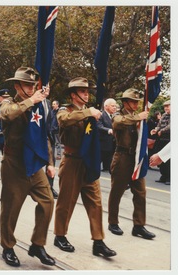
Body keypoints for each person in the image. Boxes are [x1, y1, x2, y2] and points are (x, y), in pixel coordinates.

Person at [53, 77, 116, 257]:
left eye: (87, 92)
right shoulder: (66, 110)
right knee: (66, 202)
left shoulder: (93, 112)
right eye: (82, 92)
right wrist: (87, 112)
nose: (86, 95)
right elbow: (64, 121)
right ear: (73, 95)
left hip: (89, 161)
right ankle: (59, 235)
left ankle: (98, 241)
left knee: (95, 203)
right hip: (72, 160)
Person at [0, 67, 55, 267]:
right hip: (14, 163)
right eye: (27, 85)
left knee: (47, 202)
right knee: (11, 208)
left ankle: (38, 244)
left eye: (33, 85)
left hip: (33, 162)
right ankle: (7, 246)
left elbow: (43, 136)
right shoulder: (9, 103)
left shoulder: (39, 106)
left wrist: (49, 162)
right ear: (17, 86)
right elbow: (6, 115)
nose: (31, 88)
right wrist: (31, 101)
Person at [107, 88, 155, 240]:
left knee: (140, 192)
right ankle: (113, 222)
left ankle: (139, 225)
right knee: (117, 192)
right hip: (122, 158)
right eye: (133, 102)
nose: (135, 105)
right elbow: (118, 123)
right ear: (125, 102)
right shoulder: (118, 115)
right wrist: (138, 118)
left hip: (136, 159)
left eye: (137, 102)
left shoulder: (137, 116)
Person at [151, 100, 171, 184]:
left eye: (168, 106)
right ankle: (163, 176)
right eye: (165, 106)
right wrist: (155, 130)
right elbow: (159, 125)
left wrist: (161, 131)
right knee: (161, 158)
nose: (166, 108)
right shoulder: (163, 115)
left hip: (169, 139)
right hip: (162, 139)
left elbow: (170, 126)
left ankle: (169, 177)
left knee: (168, 160)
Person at [97, 98, 117, 173]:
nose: (114, 108)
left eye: (115, 106)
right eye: (112, 106)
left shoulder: (115, 116)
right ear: (106, 106)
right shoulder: (101, 115)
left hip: (111, 144)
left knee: (109, 165)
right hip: (102, 143)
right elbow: (99, 126)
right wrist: (108, 130)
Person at [46, 99, 59, 199]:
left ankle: (49, 187)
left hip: (50, 138)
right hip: (38, 137)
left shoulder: (48, 104)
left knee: (51, 164)